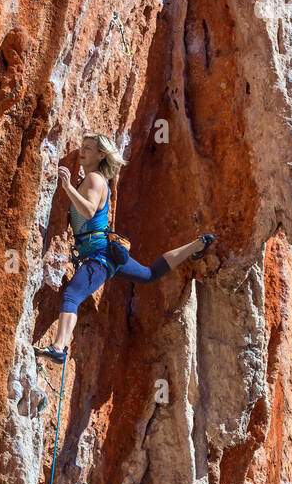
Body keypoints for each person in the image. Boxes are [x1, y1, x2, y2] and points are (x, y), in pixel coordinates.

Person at [37, 132, 214, 361]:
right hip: (105, 253)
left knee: (71, 295)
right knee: (149, 274)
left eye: (89, 147)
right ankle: (198, 244)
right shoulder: (94, 180)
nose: (83, 150)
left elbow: (89, 211)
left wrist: (67, 187)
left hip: (99, 255)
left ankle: (59, 347)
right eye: (83, 145)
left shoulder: (95, 180)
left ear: (101, 155)